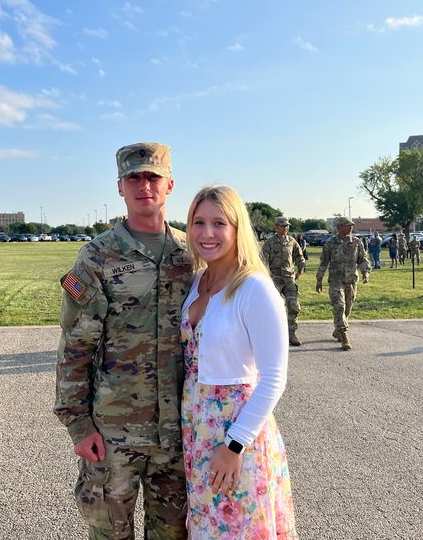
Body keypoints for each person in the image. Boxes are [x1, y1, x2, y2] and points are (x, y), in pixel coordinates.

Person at [54, 142, 192, 539]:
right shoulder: (97, 257)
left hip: (178, 433)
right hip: (115, 431)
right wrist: (79, 424)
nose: (143, 185)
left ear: (170, 184)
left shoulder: (193, 254)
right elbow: (75, 347)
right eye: (134, 177)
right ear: (120, 187)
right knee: (109, 533)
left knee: (175, 534)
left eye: (153, 176)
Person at [180, 186, 298, 539]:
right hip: (197, 429)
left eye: (219, 223)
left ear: (237, 229)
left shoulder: (254, 288)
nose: (207, 233)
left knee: (239, 527)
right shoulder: (198, 280)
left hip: (236, 432)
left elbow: (274, 378)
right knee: (207, 527)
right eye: (198, 222)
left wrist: (234, 446)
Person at [316, 217, 370, 350]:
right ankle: (344, 335)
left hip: (351, 280)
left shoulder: (357, 242)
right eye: (347, 225)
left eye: (351, 225)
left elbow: (362, 259)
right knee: (339, 306)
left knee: (347, 308)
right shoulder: (331, 242)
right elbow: (324, 262)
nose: (351, 227)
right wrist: (319, 279)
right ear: (339, 227)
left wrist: (365, 272)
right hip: (336, 280)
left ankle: (338, 329)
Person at [262, 217, 306, 346]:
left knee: (293, 306)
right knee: (272, 307)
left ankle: (291, 333)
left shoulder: (292, 242)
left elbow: (300, 257)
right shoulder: (269, 243)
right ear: (276, 227)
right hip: (274, 279)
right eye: (282, 226)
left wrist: (299, 271)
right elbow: (262, 261)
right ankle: (272, 334)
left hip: (289, 279)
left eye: (287, 226)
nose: (285, 228)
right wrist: (266, 277)